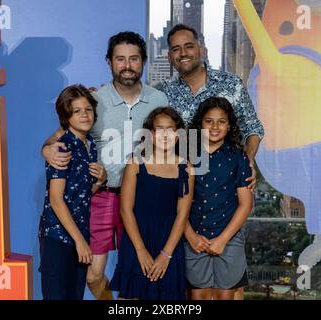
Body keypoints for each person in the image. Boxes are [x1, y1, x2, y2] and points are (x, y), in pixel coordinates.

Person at [41, 32, 169, 299]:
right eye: (120, 59)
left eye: (134, 59)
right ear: (109, 62)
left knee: (135, 275)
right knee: (92, 275)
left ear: (143, 61)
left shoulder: (159, 100)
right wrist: (47, 149)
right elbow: (59, 135)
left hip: (140, 201)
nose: (127, 65)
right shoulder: (94, 101)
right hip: (101, 197)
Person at [163, 23, 264, 192]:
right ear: (169, 56)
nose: (183, 53)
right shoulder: (163, 92)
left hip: (225, 187)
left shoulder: (231, 84)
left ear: (200, 50)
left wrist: (248, 162)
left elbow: (253, 127)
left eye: (189, 46)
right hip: (179, 187)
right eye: (176, 49)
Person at [110, 107, 194, 300]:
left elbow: (182, 214)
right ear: (150, 134)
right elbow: (125, 209)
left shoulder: (186, 166)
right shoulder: (135, 163)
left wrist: (167, 254)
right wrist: (140, 250)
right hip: (137, 238)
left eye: (171, 129)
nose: (165, 135)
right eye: (159, 129)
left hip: (169, 242)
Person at [38, 84, 107, 300]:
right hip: (58, 237)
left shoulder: (90, 145)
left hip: (80, 233)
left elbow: (81, 193)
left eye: (88, 109)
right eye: (77, 111)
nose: (84, 115)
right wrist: (79, 241)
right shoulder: (61, 148)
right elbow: (56, 200)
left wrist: (101, 181)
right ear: (66, 116)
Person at [184, 97, 253, 300]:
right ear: (200, 124)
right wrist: (191, 236)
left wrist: (223, 240)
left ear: (229, 125)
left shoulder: (238, 157)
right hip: (194, 237)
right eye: (209, 121)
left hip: (228, 237)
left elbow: (245, 204)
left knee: (226, 295)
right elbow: (175, 202)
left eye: (221, 121)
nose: (215, 126)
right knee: (198, 296)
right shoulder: (185, 155)